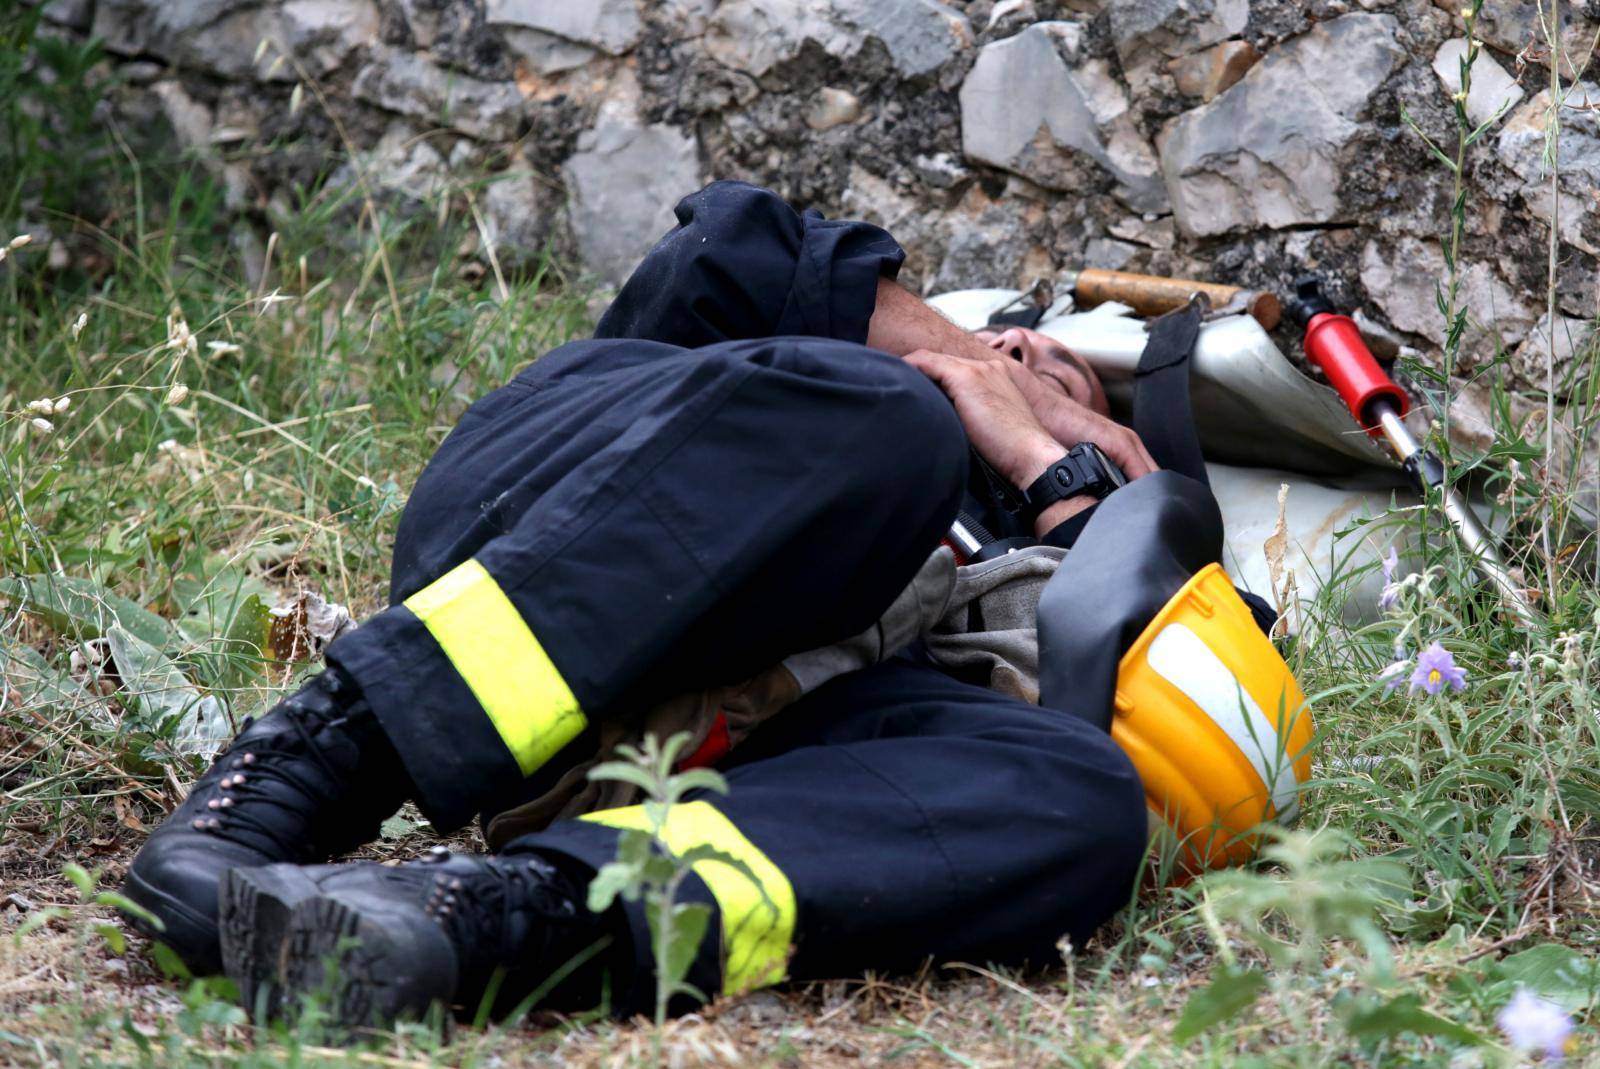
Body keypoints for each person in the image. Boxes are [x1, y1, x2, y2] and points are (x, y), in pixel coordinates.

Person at [118, 180, 1245, 1027]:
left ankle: (502, 918)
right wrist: (955, 370)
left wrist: (1061, 484)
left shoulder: (1078, 514)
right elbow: (725, 246)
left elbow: (1145, 714)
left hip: (703, 753)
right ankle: (302, 776)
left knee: (1089, 803)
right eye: (1016, 339)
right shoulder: (832, 367)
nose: (1024, 360)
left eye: (1068, 377)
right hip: (553, 550)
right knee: (884, 423)